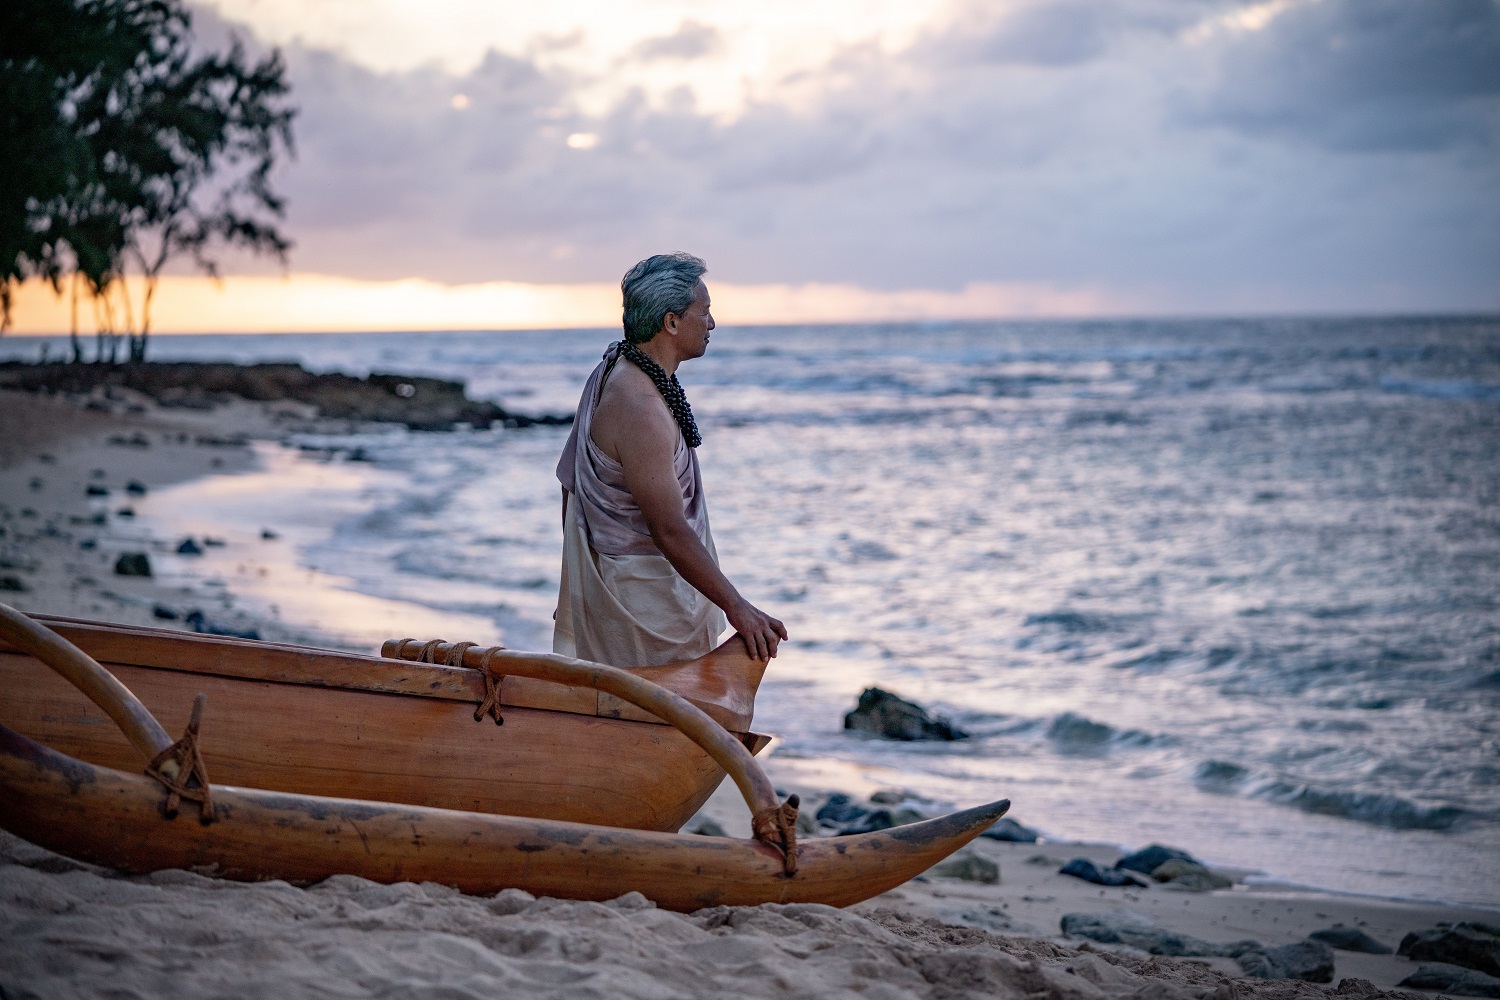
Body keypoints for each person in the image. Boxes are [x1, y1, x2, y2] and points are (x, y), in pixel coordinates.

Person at [553, 252, 786, 668]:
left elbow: (571, 485)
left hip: (630, 588)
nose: (712, 324)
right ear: (672, 322)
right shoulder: (639, 404)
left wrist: (577, 587)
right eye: (706, 312)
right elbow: (668, 529)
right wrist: (739, 608)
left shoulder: (616, 368)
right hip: (643, 602)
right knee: (653, 725)